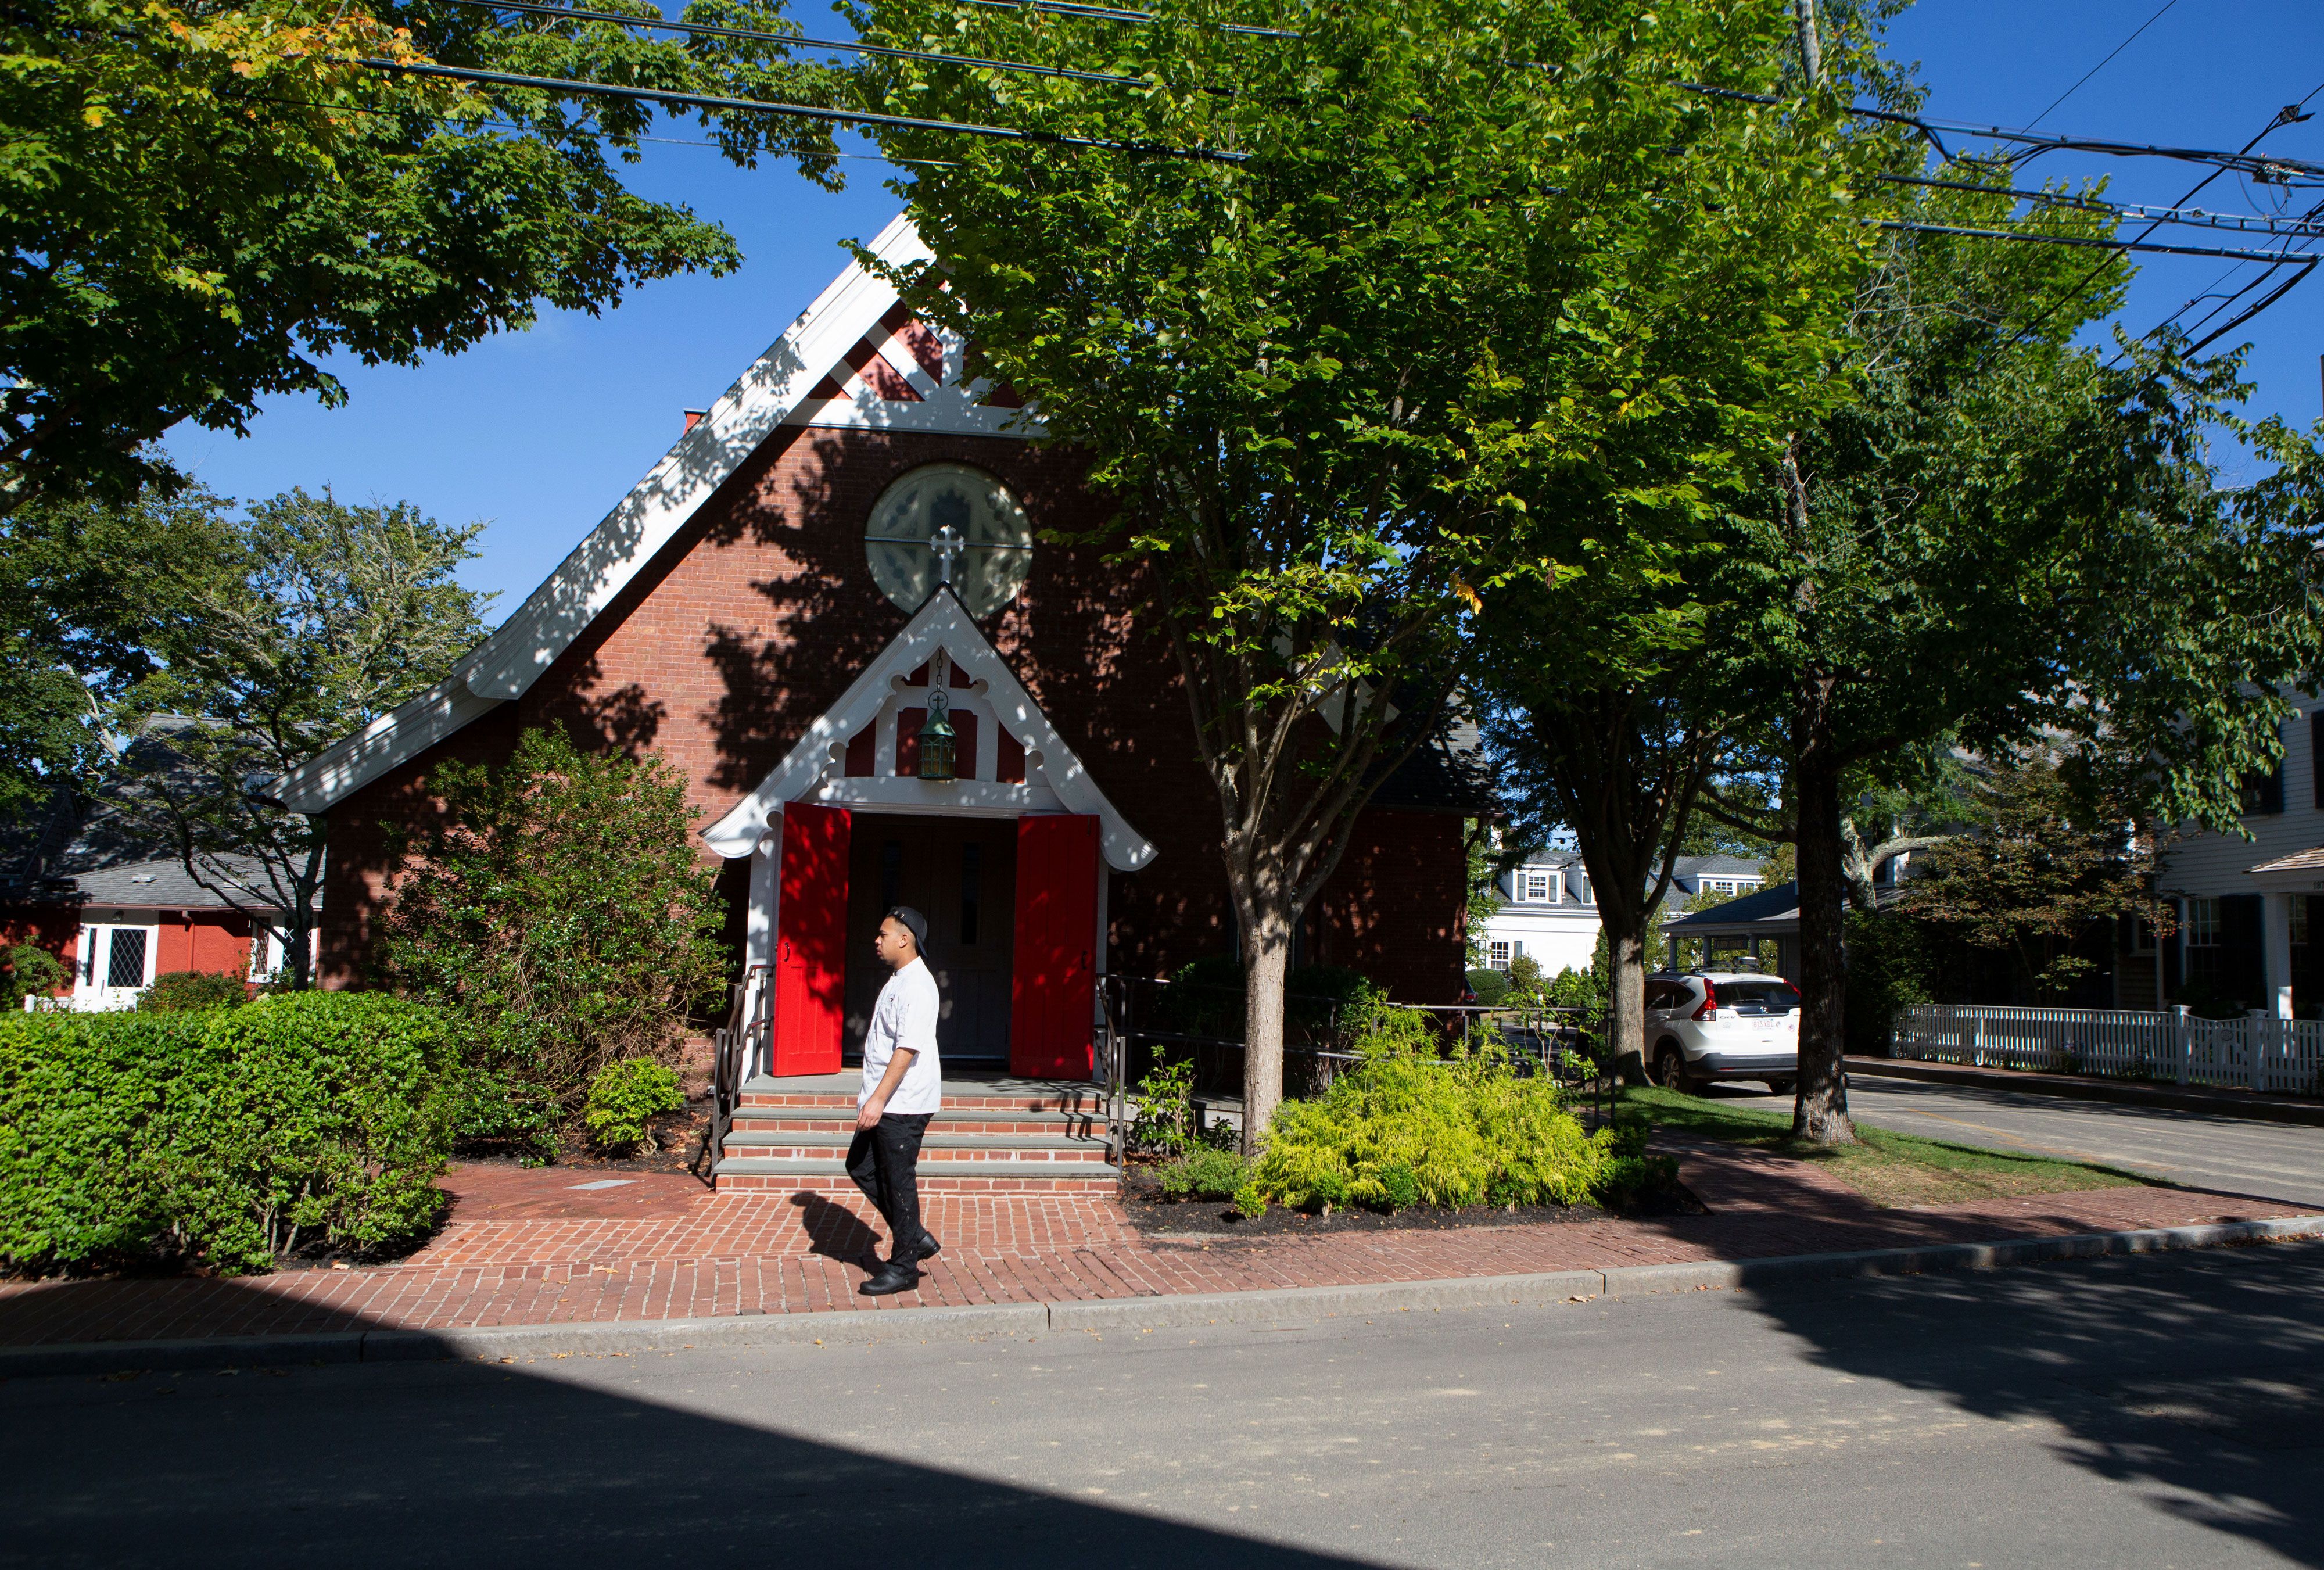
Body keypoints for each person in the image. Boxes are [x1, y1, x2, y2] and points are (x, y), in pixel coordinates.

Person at [849, 905, 944, 1296]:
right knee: (861, 1166)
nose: (877, 940)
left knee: (899, 1182)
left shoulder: (917, 987)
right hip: (889, 1102)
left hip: (902, 1104)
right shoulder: (900, 980)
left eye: (884, 934)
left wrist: (878, 1100)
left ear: (904, 939)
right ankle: (915, 1237)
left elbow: (906, 1050)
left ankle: (904, 1266)